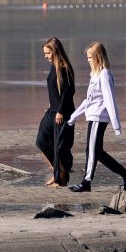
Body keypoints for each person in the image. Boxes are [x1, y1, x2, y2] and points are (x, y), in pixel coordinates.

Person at [67, 42, 126, 193]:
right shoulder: (94, 75)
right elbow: (88, 101)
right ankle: (125, 174)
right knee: (97, 152)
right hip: (92, 116)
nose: (88, 60)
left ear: (98, 57)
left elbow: (110, 100)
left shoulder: (104, 75)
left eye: (90, 57)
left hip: (99, 117)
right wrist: (73, 117)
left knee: (91, 151)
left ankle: (86, 182)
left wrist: (116, 125)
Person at [36, 37, 76, 188]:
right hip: (52, 110)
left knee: (59, 146)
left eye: (47, 53)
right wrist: (51, 104)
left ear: (55, 51)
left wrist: (60, 110)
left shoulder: (64, 67)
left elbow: (68, 91)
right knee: (41, 140)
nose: (45, 56)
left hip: (62, 112)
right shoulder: (54, 65)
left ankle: (60, 177)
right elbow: (55, 89)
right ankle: (59, 171)